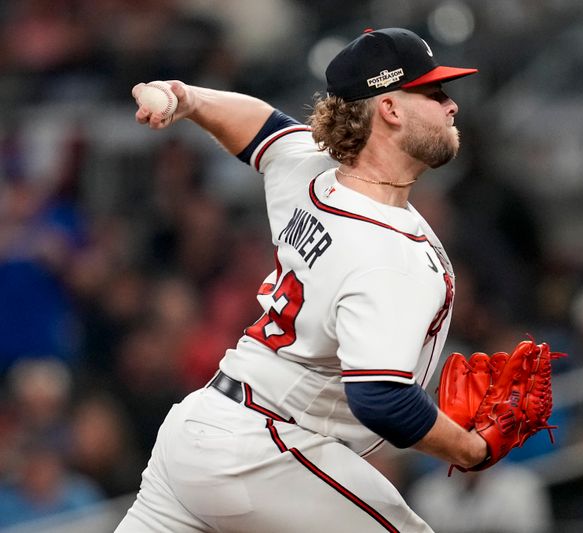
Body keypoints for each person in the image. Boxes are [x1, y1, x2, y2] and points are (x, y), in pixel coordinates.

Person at [116, 28, 488, 533]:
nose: (451, 106)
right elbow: (382, 398)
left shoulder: (315, 171)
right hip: (263, 450)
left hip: (199, 429)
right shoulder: (389, 256)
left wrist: (189, 99)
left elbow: (261, 128)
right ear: (391, 110)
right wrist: (472, 449)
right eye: (434, 92)